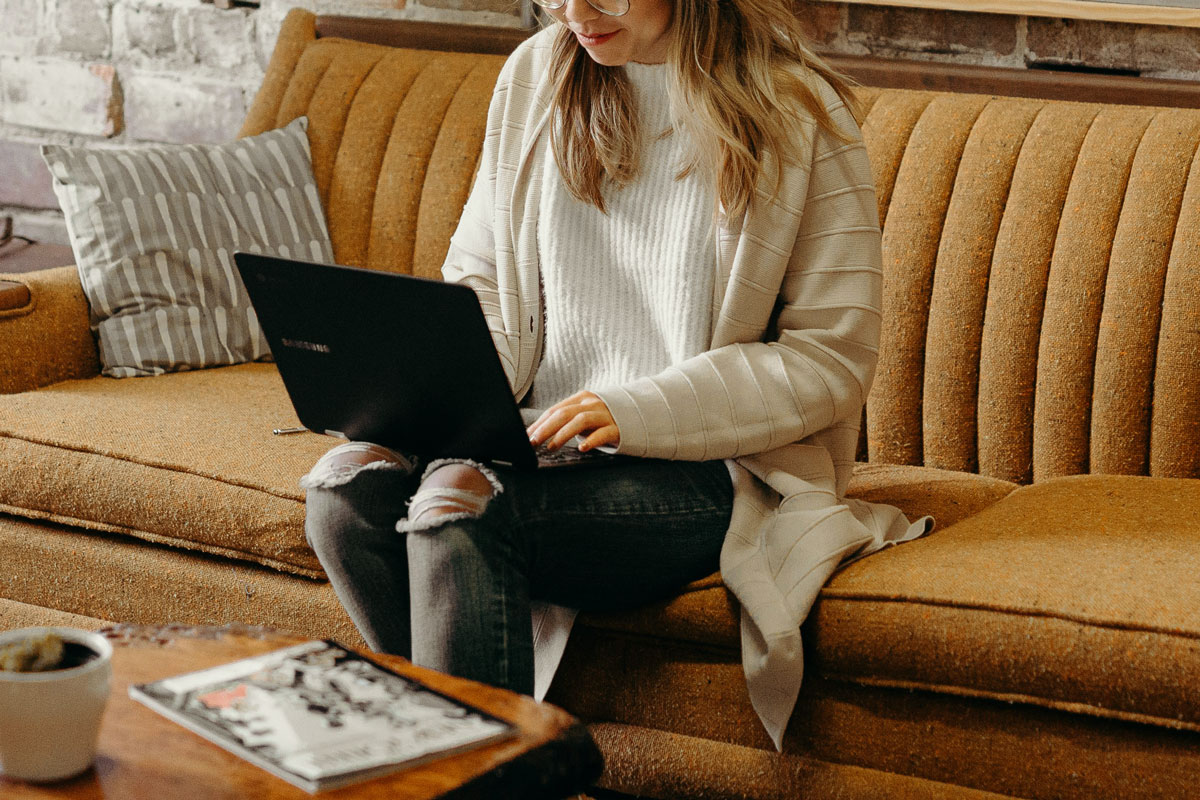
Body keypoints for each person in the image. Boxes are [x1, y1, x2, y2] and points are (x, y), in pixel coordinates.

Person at [302, 0, 928, 748]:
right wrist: (437, 397)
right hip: (540, 438)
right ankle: (455, 762)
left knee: (459, 508)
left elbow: (829, 357)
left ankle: (463, 766)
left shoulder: (799, 113)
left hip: (712, 466)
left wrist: (636, 410)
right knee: (346, 495)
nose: (572, 11)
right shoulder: (535, 75)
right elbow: (486, 293)